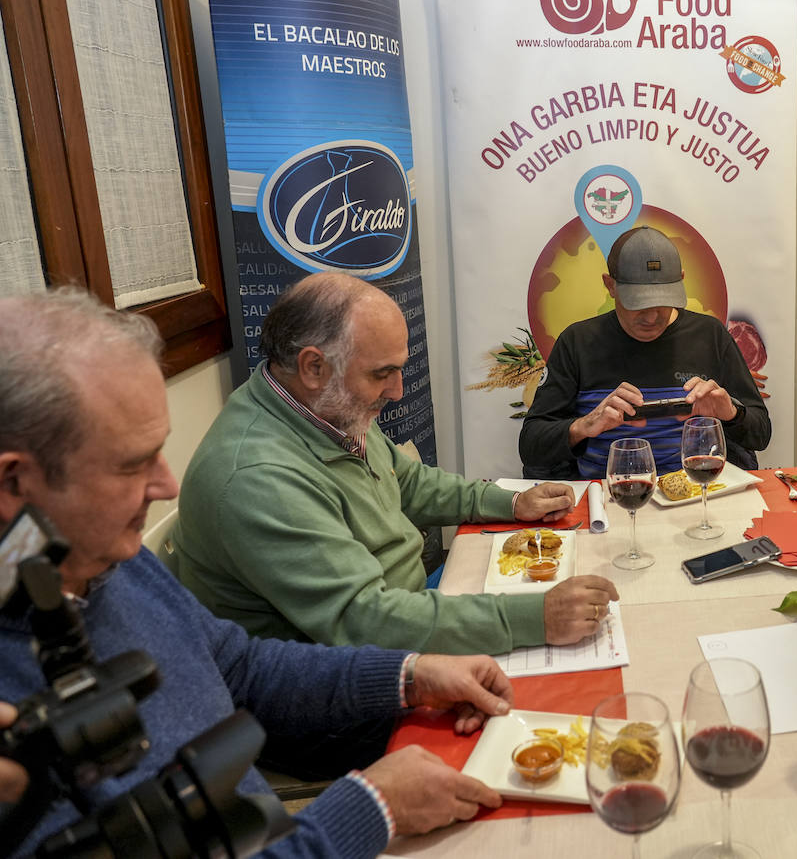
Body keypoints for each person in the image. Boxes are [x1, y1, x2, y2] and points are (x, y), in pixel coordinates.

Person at [0, 288, 517, 857]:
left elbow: (240, 665)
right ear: (13, 483)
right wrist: (372, 809)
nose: (168, 486)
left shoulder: (103, 562)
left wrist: (411, 674)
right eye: (132, 465)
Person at [170, 273, 617, 656]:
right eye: (382, 373)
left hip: (409, 604)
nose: (398, 390)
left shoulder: (323, 406)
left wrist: (512, 501)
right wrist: (535, 618)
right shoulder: (259, 478)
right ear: (313, 367)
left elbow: (409, 483)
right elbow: (364, 621)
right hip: (346, 675)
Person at [519, 226, 771, 479]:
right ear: (610, 286)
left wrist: (730, 413)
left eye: (663, 301)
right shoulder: (578, 341)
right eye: (637, 303)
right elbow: (531, 445)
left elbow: (760, 433)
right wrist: (584, 425)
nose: (651, 317)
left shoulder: (710, 335)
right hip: (606, 495)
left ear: (681, 281)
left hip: (696, 490)